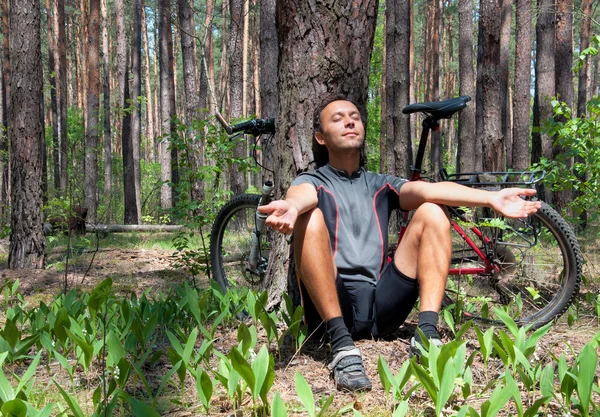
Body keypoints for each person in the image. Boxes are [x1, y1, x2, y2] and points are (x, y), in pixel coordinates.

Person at [257, 95, 541, 392]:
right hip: (331, 306)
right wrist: (291, 207)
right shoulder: (312, 181)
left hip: (383, 305)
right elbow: (302, 196)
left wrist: (491, 197)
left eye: (354, 116)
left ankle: (427, 333)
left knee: (432, 209)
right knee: (309, 217)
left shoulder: (380, 184)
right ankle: (342, 346)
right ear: (320, 137)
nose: (350, 121)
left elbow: (428, 189)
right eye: (337, 118)